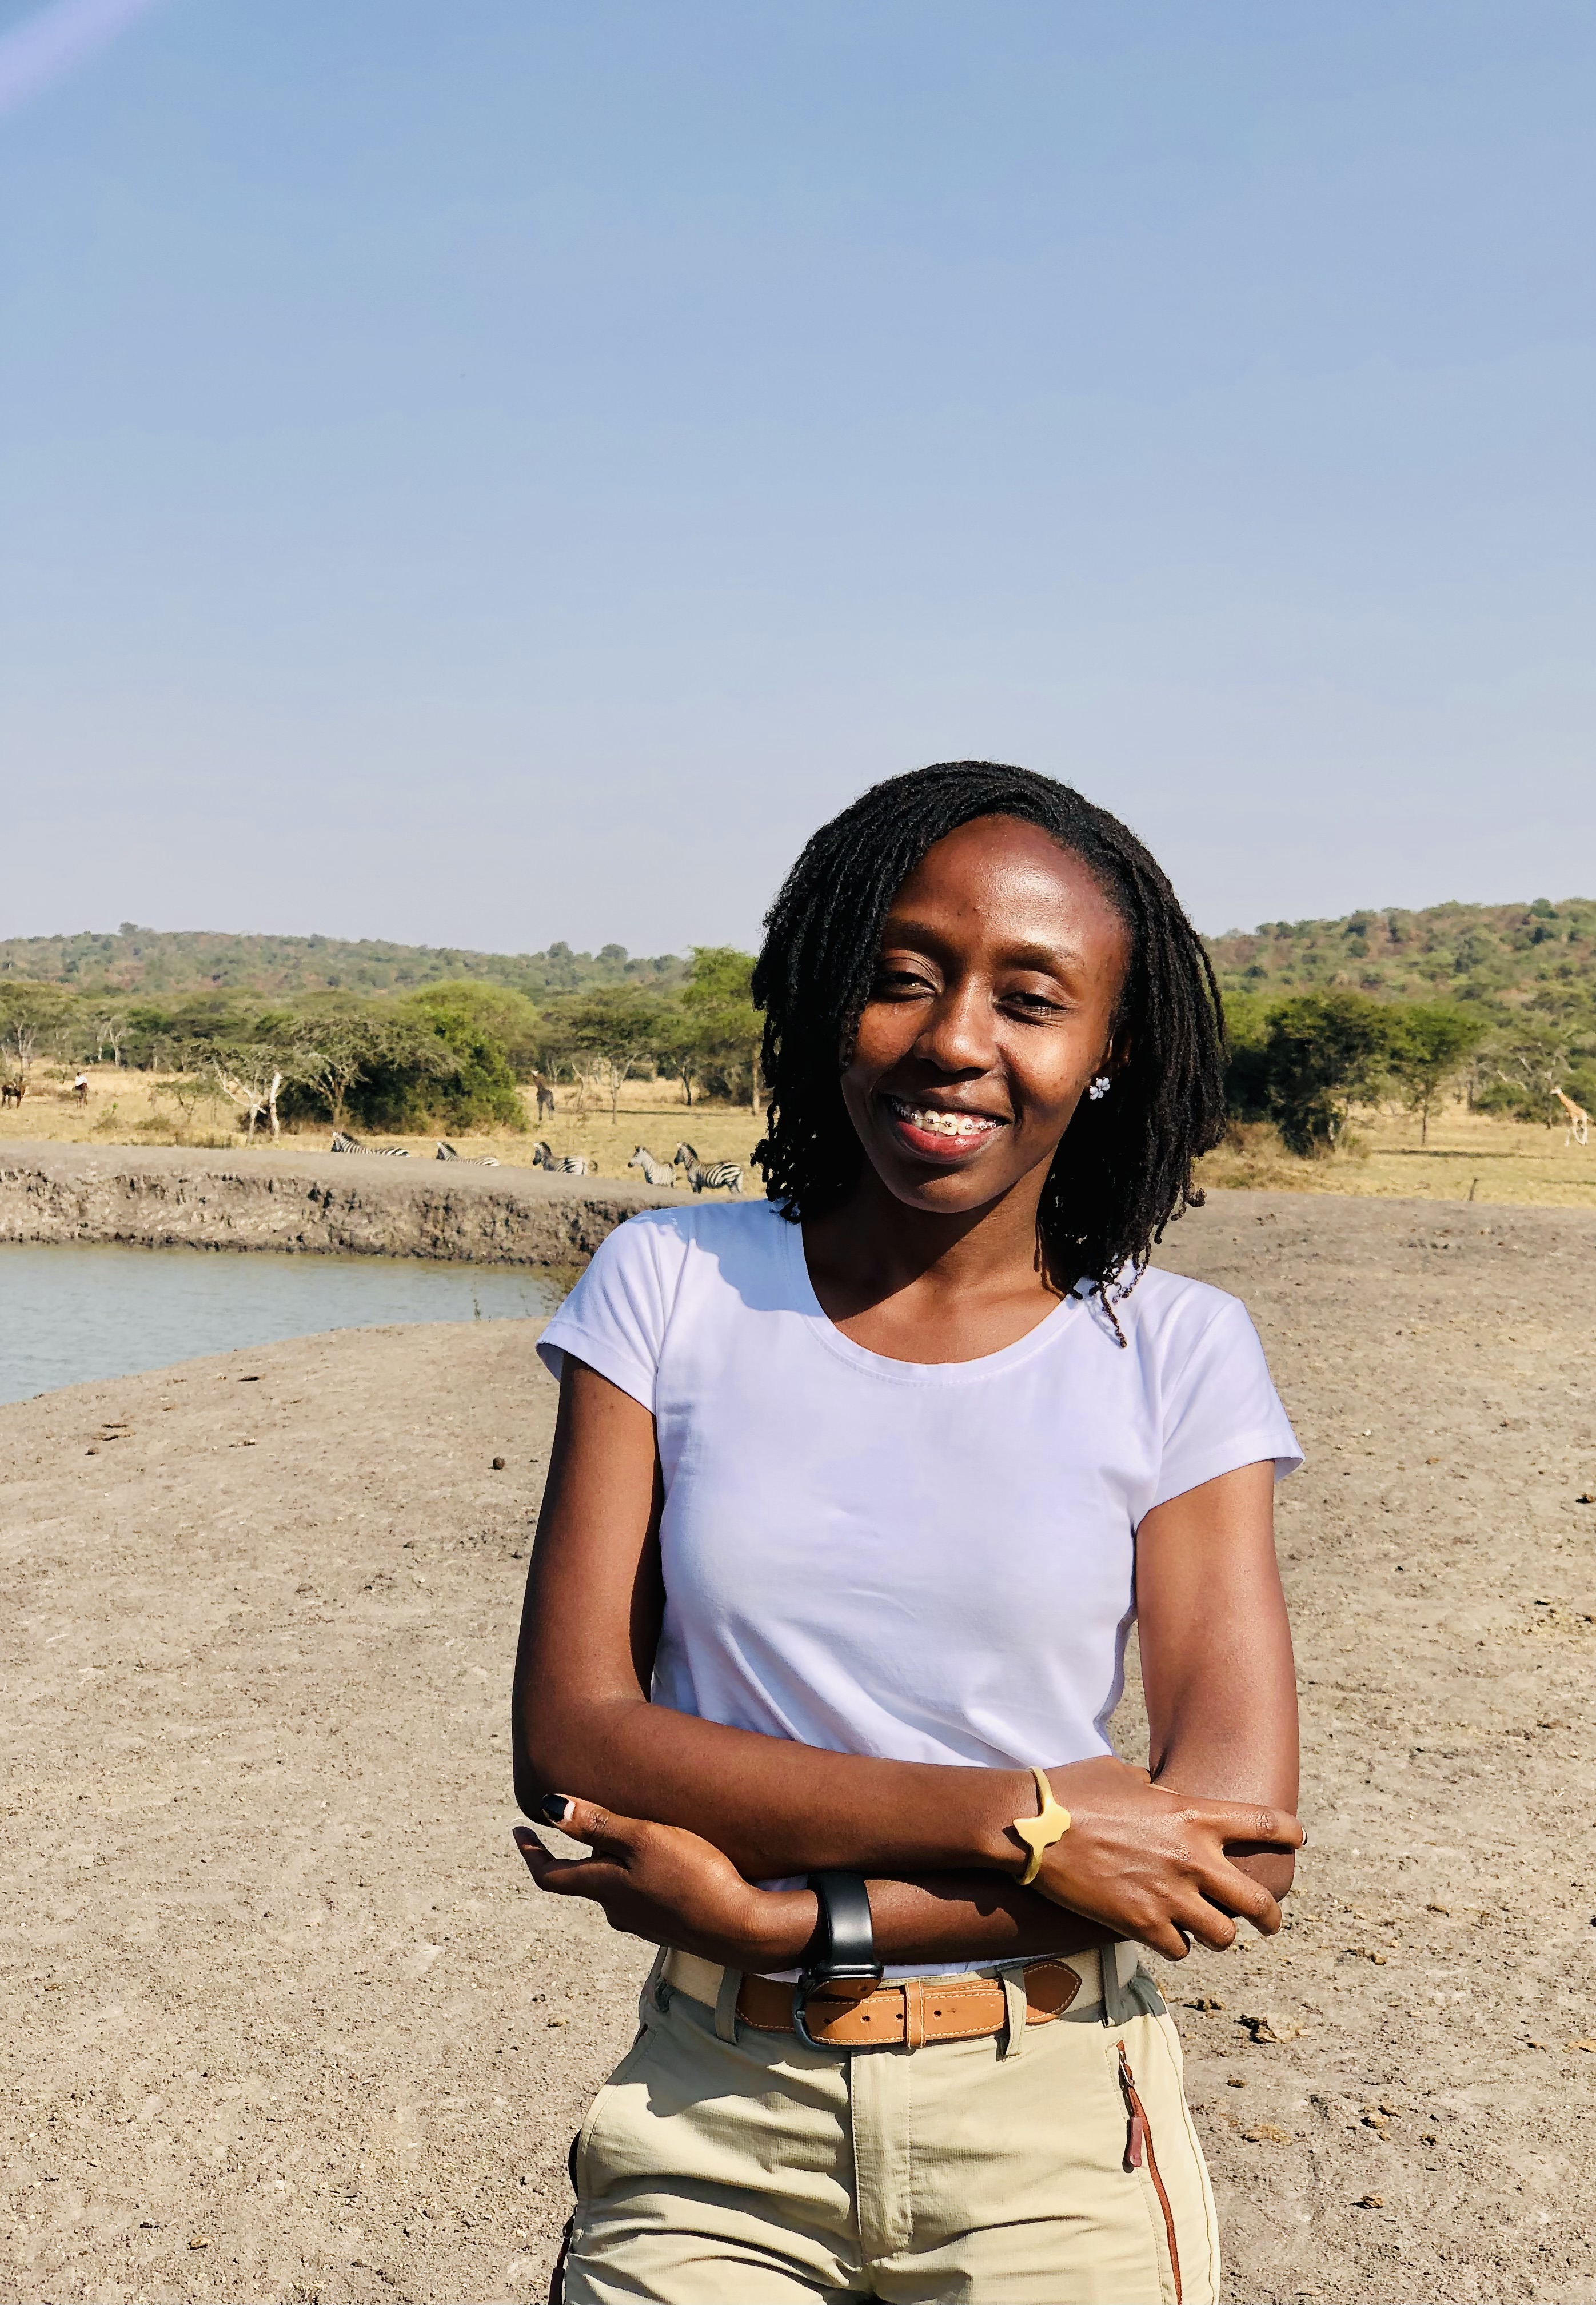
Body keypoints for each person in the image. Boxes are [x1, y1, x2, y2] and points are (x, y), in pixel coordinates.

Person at [511, 761, 1305, 2304]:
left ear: (1111, 1053)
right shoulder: (669, 1284)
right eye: (904, 978)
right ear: (828, 1001)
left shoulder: (1179, 1352)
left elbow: (1230, 1846)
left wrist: (794, 1918)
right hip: (711, 2117)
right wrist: (1033, 1816)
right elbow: (576, 1738)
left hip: (1056, 2130)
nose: (954, 1039)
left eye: (1032, 999)